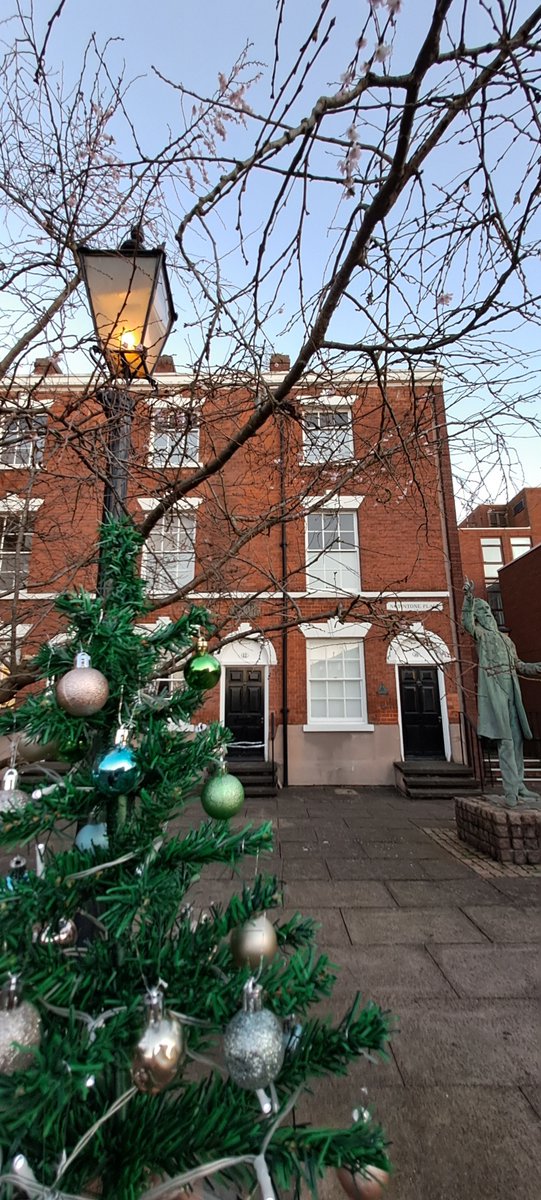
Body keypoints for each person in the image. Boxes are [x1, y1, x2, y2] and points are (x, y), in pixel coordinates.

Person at [462, 579, 541, 807]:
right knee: (505, 740)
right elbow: (466, 624)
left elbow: (519, 665)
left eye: (488, 609)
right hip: (494, 688)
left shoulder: (507, 641)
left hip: (511, 690)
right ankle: (509, 790)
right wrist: (469, 599)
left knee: (516, 740)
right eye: (483, 611)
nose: (488, 613)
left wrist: (536, 667)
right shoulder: (481, 635)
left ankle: (519, 785)